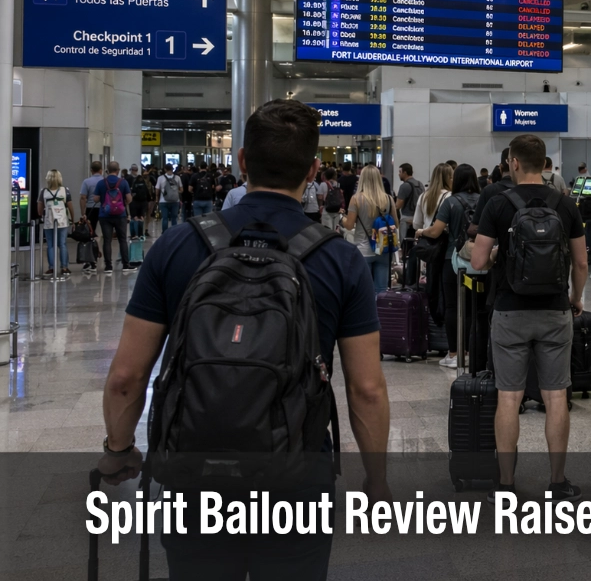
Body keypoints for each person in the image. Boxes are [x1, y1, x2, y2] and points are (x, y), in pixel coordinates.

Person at [96, 99, 390, 579]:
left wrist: (119, 450)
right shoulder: (339, 259)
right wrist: (376, 483)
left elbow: (128, 377)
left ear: (242, 161)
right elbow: (367, 389)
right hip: (297, 479)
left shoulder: (178, 244)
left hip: (194, 477)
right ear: (314, 169)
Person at [471, 133, 588, 504]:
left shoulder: (498, 203)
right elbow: (581, 262)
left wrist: (494, 260)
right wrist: (575, 298)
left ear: (513, 163)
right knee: (556, 397)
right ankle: (557, 482)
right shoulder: (566, 205)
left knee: (509, 397)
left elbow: (477, 262)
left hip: (510, 310)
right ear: (545, 163)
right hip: (555, 310)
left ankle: (505, 485)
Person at [418, 164, 481, 369]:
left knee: (453, 306)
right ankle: (472, 351)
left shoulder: (451, 202)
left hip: (452, 260)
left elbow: (436, 231)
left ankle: (454, 353)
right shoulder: (484, 200)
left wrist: (421, 232)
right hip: (478, 259)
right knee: (474, 308)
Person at [345, 165, 398, 293]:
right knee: (381, 289)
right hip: (383, 248)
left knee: (364, 290)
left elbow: (349, 225)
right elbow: (395, 223)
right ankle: (381, 312)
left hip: (363, 249)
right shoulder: (388, 199)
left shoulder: (356, 199)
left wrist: (342, 219)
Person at [93, 161, 136, 275]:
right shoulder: (123, 182)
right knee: (122, 239)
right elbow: (129, 199)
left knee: (107, 240)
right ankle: (126, 265)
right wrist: (122, 203)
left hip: (104, 215)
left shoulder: (102, 183)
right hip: (120, 215)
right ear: (118, 170)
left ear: (107, 170)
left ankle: (108, 266)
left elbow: (96, 199)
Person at [38, 169, 71, 277]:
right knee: (62, 244)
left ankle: (51, 267)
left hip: (48, 221)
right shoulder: (65, 190)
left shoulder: (43, 191)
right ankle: (64, 267)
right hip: (62, 221)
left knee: (50, 245)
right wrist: (72, 219)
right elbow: (70, 206)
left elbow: (39, 209)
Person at [78, 161, 105, 273]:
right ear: (101, 170)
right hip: (104, 209)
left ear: (91, 170)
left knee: (89, 234)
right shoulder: (105, 181)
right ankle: (107, 262)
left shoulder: (86, 181)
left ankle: (90, 262)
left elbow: (83, 197)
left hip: (91, 209)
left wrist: (83, 213)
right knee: (106, 235)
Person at [414, 163, 453, 236]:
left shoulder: (423, 196)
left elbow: (416, 224)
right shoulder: (450, 197)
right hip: (443, 240)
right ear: (449, 178)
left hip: (426, 240)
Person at [396, 163, 425, 241]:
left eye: (400, 172)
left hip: (406, 218)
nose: (399, 174)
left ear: (405, 173)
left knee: (404, 242)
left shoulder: (404, 186)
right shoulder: (420, 184)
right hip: (419, 218)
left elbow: (398, 205)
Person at [155, 165, 183, 234]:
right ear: (172, 169)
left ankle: (165, 233)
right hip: (175, 201)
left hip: (163, 201)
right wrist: (175, 192)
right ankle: (174, 233)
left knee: (165, 218)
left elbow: (157, 189)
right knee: (174, 218)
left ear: (165, 169)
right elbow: (181, 190)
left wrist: (156, 198)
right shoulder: (177, 178)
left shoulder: (160, 178)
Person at [129, 168, 153, 240]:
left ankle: (133, 234)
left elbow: (131, 194)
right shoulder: (146, 184)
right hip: (143, 203)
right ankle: (140, 234)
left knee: (134, 218)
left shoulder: (134, 183)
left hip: (134, 203)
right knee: (141, 218)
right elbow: (148, 195)